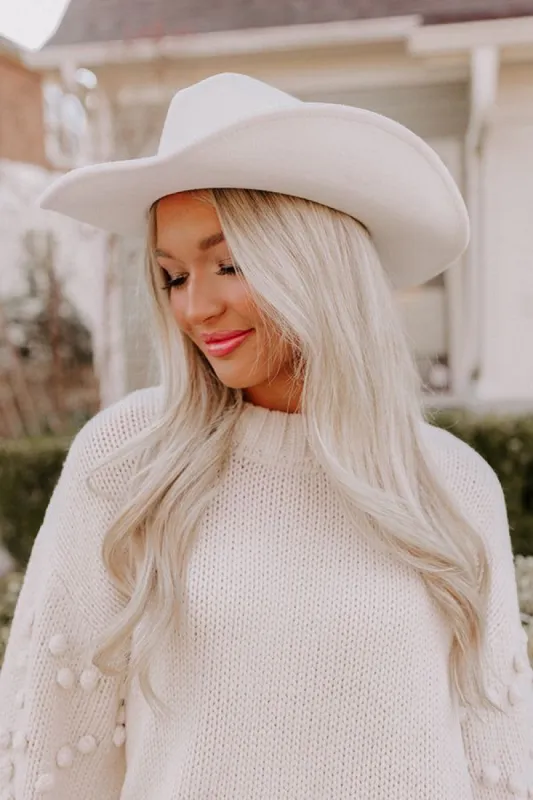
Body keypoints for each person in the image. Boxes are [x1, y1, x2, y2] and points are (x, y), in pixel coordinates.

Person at [0, 73, 530, 800]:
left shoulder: (455, 483)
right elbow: (52, 744)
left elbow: (495, 753)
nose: (195, 306)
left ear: (315, 263)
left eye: (228, 264)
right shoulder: (127, 459)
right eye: (172, 275)